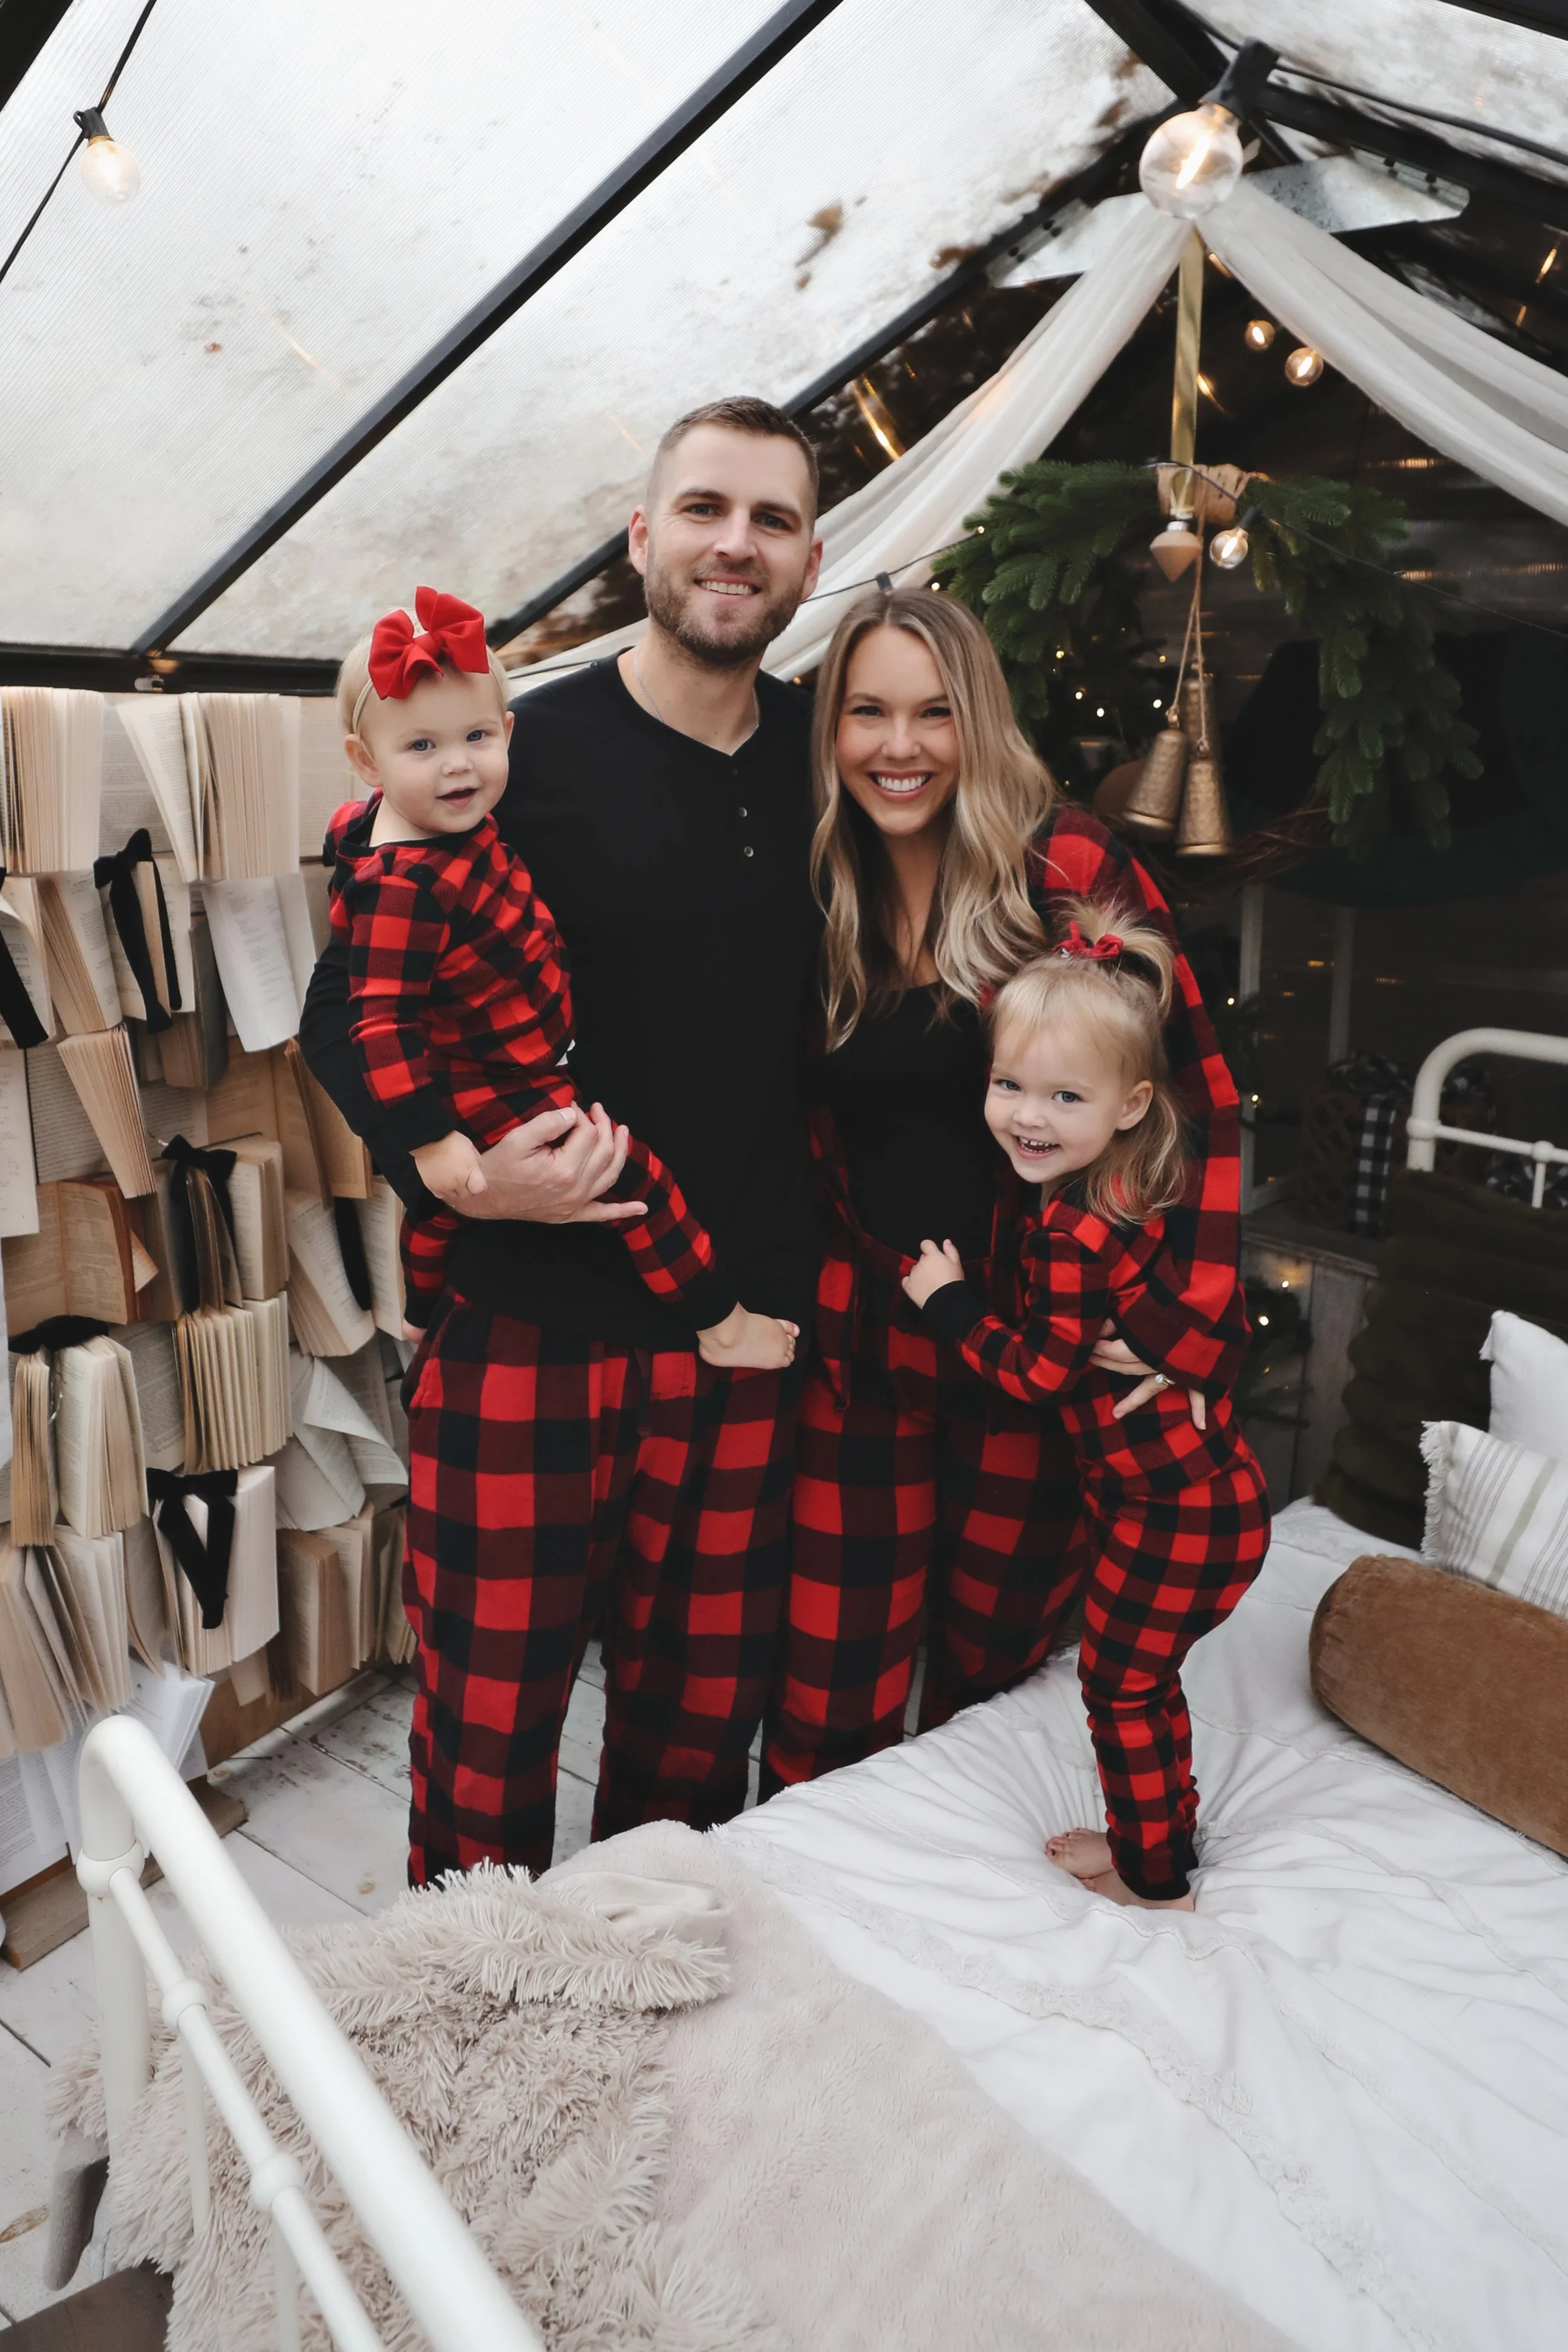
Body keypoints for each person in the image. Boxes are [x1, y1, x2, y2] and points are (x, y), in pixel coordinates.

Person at [300, 397, 824, 1883]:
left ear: (806, 558)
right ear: (645, 536)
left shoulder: (826, 757)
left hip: (741, 1318)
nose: (738, 543)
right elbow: (348, 1003)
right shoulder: (516, 749)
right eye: (707, 509)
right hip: (530, 1316)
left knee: (692, 1731)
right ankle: (470, 2036)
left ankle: (639, 2008)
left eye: (772, 519)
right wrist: (454, 1169)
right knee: (490, 1723)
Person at [762, 586, 1248, 1791]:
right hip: (869, 1339)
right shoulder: (816, 880)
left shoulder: (1066, 865)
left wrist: (1187, 1346)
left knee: (994, 1679)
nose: (901, 746)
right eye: (867, 711)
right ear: (832, 728)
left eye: (935, 713)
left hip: (1038, 1362)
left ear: (978, 722)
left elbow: (1202, 1099)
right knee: (828, 1681)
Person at [323, 580, 794, 1373]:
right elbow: (375, 1020)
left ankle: (418, 1306)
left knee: (446, 1213)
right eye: (421, 747)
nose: (457, 768)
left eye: (476, 737)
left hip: (525, 1056)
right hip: (491, 1075)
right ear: (366, 761)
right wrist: (430, 1140)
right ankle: (719, 1321)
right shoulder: (403, 881)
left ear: (509, 731)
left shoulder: (464, 825)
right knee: (630, 1178)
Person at [902, 901, 1270, 1908]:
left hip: (1176, 1514)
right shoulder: (1122, 1187)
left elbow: (1036, 1376)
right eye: (1009, 1084)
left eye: (1065, 1094)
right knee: (1138, 1682)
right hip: (1197, 1497)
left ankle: (1155, 1879)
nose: (1029, 1114)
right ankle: (1157, 1835)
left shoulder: (1071, 1229)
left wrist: (949, 1305)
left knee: (1120, 1687)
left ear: (1132, 1103)